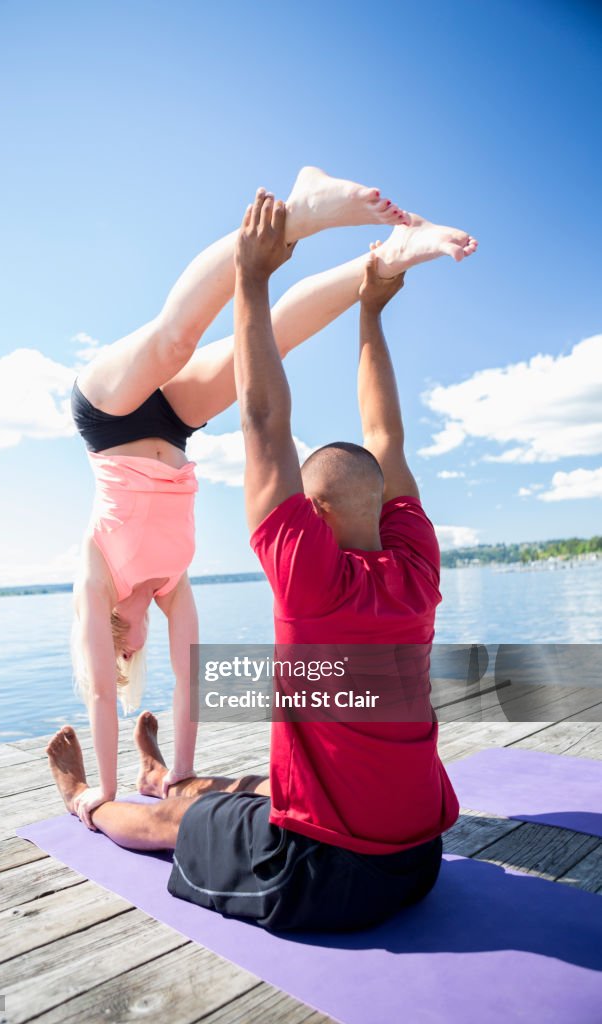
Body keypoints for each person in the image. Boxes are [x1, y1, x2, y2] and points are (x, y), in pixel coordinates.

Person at [49, 187, 476, 932]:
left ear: (311, 519)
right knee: (240, 790)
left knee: (171, 828)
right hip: (420, 859)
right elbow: (387, 440)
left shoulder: (318, 577)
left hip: (328, 875)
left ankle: (89, 800)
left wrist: (255, 277)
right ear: (381, 507)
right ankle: (159, 775)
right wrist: (371, 308)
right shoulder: (416, 565)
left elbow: (273, 419)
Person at [68, 167, 413, 827]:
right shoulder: (170, 586)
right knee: (268, 342)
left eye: (119, 641)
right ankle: (378, 265)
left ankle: (300, 212)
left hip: (108, 420)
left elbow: (98, 698)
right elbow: (192, 683)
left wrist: (101, 792)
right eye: (129, 644)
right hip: (170, 427)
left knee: (175, 340)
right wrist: (186, 772)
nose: (125, 636)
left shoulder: (96, 575)